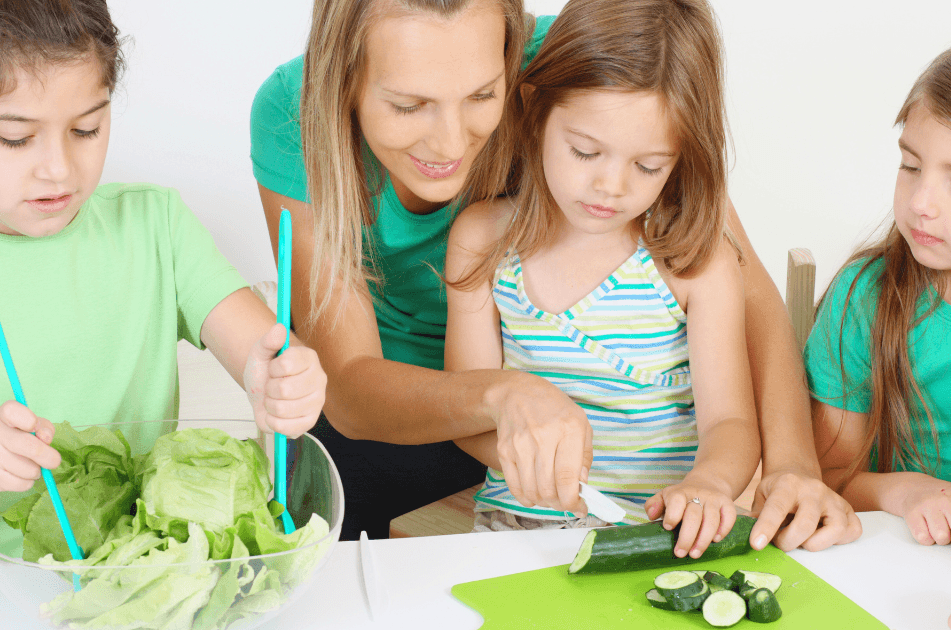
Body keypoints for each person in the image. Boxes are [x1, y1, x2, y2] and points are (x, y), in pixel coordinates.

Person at [251, 0, 860, 546]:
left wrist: (792, 468)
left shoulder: (586, 65)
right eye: (408, 105)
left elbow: (743, 289)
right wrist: (503, 398)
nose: (448, 143)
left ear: (516, 68)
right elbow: (354, 392)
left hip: (576, 439)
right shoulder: (293, 115)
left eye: (483, 96)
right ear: (345, 79)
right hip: (418, 419)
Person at [0, 0, 327, 564]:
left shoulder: (156, 225)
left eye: (87, 128)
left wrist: (281, 376)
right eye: (16, 139)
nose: (58, 168)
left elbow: (262, 350)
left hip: (139, 584)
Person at [443, 0, 757, 557]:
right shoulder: (482, 241)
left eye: (649, 166)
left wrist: (708, 485)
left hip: (655, 539)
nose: (611, 186)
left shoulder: (691, 259)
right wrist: (529, 461)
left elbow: (730, 421)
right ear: (535, 109)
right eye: (585, 151)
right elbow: (466, 410)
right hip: (513, 534)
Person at [808, 30, 951, 553]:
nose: (922, 201)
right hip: (900, 560)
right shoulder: (864, 298)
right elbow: (827, 477)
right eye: (910, 166)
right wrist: (904, 491)